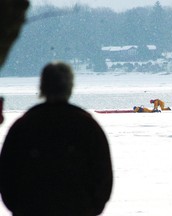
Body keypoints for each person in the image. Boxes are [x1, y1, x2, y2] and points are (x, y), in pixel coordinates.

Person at [0, 62, 113, 216]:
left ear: (42, 87)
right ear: (70, 86)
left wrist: (21, 208)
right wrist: (89, 209)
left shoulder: (23, 126)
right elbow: (103, 177)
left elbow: (7, 176)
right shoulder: (88, 126)